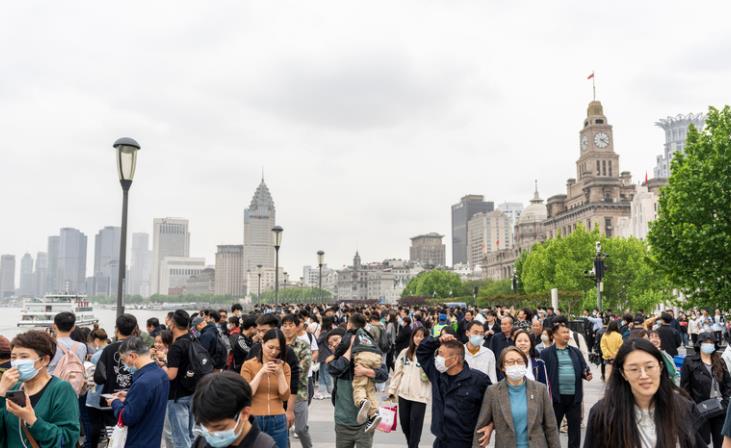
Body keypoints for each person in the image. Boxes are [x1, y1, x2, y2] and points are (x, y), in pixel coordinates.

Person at [584, 338, 704, 447]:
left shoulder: (683, 408)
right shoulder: (603, 414)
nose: (644, 375)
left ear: (661, 368)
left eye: (649, 367)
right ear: (623, 373)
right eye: (634, 369)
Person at [0, 330, 80, 447]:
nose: (17, 362)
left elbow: (67, 439)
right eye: (13, 357)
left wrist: (33, 421)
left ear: (45, 360)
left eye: (24, 357)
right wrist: (1, 392)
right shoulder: (13, 388)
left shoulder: (61, 389)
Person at [473, 346, 559, 448]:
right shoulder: (493, 392)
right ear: (502, 367)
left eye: (519, 361)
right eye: (510, 362)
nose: (516, 365)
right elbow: (481, 427)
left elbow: (551, 427)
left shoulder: (540, 389)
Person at [417, 332, 491, 448]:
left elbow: (493, 407)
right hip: (441, 441)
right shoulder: (437, 374)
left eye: (441, 354)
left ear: (455, 359)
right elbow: (422, 351)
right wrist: (438, 340)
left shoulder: (479, 380)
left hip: (466, 442)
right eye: (437, 354)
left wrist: (490, 425)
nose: (437, 358)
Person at [326, 328, 389, 448]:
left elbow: (384, 375)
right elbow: (336, 369)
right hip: (343, 423)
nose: (333, 345)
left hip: (365, 424)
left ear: (344, 338)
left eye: (335, 340)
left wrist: (366, 371)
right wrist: (350, 347)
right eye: (330, 344)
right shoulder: (336, 361)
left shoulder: (365, 358)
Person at [107, 336, 170, 447]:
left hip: (138, 440)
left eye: (124, 360)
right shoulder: (161, 374)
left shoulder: (143, 382)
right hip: (153, 438)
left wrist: (115, 402)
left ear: (132, 356)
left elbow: (128, 417)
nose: (124, 365)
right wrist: (130, 396)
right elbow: (150, 402)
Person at [540, 318, 592, 448]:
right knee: (552, 430)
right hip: (556, 399)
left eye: (567, 332)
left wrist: (586, 374)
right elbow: (542, 375)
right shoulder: (546, 353)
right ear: (555, 335)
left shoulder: (575, 352)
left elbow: (583, 368)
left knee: (575, 431)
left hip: (574, 398)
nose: (567, 335)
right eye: (563, 332)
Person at [191, 371, 276, 448]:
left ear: (245, 413)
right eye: (205, 428)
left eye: (220, 428)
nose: (212, 435)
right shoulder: (202, 442)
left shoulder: (264, 445)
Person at [92, 313, 137, 447]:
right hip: (135, 399)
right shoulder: (140, 349)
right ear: (134, 329)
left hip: (111, 402)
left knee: (114, 439)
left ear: (116, 329)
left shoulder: (108, 349)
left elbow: (99, 378)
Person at [332, 313, 383, 430]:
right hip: (375, 358)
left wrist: (337, 354)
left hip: (361, 360)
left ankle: (362, 401)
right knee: (369, 388)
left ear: (349, 324)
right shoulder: (368, 335)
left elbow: (341, 349)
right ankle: (373, 415)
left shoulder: (349, 335)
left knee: (359, 385)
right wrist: (370, 371)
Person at [241, 329, 291, 448]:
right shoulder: (248, 365)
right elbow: (246, 393)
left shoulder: (284, 366)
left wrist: (280, 374)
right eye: (271, 347)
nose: (274, 352)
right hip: (253, 418)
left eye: (278, 349)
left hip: (278, 418)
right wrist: (260, 373)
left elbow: (285, 396)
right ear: (262, 343)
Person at [681, 332, 731, 447]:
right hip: (700, 408)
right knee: (702, 441)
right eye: (706, 342)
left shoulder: (719, 361)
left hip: (720, 407)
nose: (709, 345)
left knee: (721, 440)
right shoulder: (690, 362)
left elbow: (728, 384)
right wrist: (692, 407)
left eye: (711, 342)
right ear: (699, 343)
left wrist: (726, 401)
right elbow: (684, 388)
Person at [387, 327, 431, 448]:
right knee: (405, 425)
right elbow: (397, 373)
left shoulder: (430, 354)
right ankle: (412, 445)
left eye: (422, 336)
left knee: (415, 426)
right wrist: (392, 390)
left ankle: (413, 446)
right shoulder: (405, 352)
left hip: (420, 396)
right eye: (416, 336)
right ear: (412, 337)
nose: (419, 338)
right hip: (403, 394)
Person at [164, 310, 197, 448]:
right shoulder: (193, 339)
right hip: (193, 391)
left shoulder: (176, 346)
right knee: (191, 435)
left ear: (173, 325)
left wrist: (160, 366)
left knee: (180, 439)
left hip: (178, 396)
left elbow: (171, 375)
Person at [281, 314, 312, 448]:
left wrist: (281, 373)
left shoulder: (303, 345)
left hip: (299, 393)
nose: (287, 328)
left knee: (300, 429)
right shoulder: (277, 345)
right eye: (285, 325)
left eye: (291, 325)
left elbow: (302, 370)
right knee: (283, 431)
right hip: (281, 394)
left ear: (297, 326)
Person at [48, 311, 87, 375]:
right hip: (75, 382)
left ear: (54, 326)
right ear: (73, 327)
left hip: (53, 382)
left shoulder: (49, 345)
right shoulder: (82, 346)